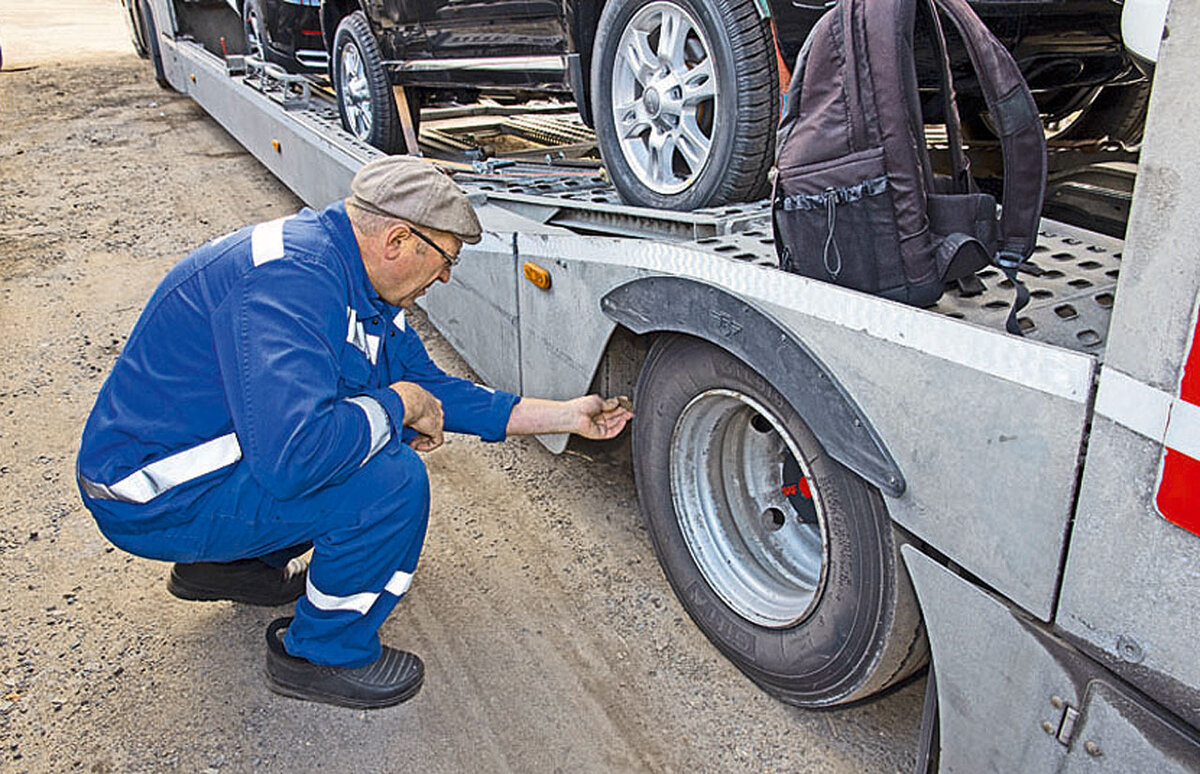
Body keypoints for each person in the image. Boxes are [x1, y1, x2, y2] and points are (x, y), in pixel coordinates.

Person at [76, 156, 632, 709]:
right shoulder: (289, 283)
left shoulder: (354, 282)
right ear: (398, 241)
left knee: (361, 430)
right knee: (388, 478)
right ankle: (322, 653)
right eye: (445, 260)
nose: (443, 277)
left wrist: (564, 415)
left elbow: (432, 390)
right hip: (153, 498)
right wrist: (396, 407)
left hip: (192, 465)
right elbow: (298, 457)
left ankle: (228, 567)